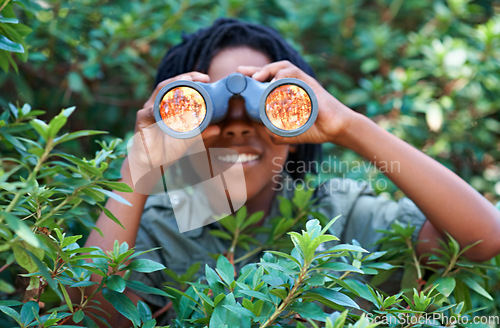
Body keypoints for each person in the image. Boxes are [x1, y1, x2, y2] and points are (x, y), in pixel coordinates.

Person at [83, 18, 500, 326]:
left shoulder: (340, 215)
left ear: (298, 125)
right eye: (207, 110)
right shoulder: (155, 229)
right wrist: (138, 167)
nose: (240, 125)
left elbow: (482, 239)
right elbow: (87, 315)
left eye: (267, 107)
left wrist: (349, 125)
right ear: (176, 125)